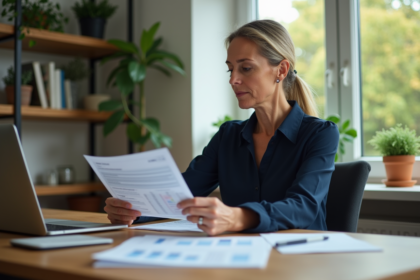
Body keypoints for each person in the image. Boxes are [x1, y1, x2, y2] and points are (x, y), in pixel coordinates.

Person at [104, 20, 339, 236]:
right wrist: (133, 210)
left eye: (245, 68)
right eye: (230, 69)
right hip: (240, 256)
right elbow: (181, 194)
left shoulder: (320, 134)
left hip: (301, 261)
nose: (233, 79)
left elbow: (304, 207)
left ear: (281, 70)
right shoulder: (228, 136)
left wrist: (238, 216)